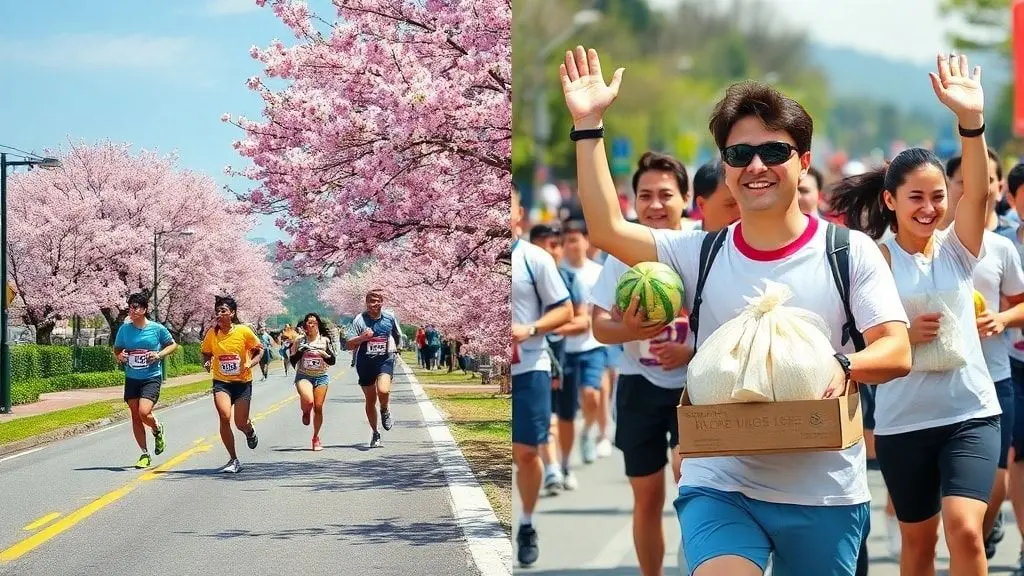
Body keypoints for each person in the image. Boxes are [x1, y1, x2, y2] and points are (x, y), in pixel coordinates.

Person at [560, 45, 913, 575]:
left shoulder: (847, 252)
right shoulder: (697, 254)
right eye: (739, 154)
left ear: (803, 161)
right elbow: (608, 229)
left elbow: (896, 350)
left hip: (823, 489)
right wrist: (588, 126)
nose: (756, 166)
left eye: (774, 152)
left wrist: (840, 366)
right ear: (725, 169)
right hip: (720, 481)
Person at [831, 53, 996, 576]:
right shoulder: (874, 258)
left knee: (965, 530)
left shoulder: (958, 248)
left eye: (938, 197)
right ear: (890, 200)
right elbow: (861, 337)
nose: (929, 208)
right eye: (915, 198)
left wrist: (971, 121)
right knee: (919, 546)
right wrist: (906, 333)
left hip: (970, 413)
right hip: (904, 423)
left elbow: (978, 191)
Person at [590, 151, 699, 576]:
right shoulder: (622, 253)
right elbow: (599, 325)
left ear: (686, 198)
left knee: (693, 485)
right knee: (648, 497)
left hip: (696, 387)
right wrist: (630, 330)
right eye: (645, 196)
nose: (655, 205)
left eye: (666, 195)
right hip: (639, 385)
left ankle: (695, 561)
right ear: (633, 202)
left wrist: (691, 351)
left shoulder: (702, 246)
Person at [944, 150, 1024, 560]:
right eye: (964, 180)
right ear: (949, 185)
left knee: (995, 481)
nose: (976, 187)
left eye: (986, 179)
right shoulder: (927, 242)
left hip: (994, 376)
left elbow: (1020, 304)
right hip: (939, 382)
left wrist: (1001, 319)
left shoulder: (1001, 246)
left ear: (997, 186)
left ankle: (983, 530)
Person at [512, 182, 573, 567]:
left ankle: (526, 522)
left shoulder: (534, 258)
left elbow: (564, 310)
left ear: (519, 212)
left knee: (527, 452)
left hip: (530, 365)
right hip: (497, 367)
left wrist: (531, 328)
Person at [113, 291, 177, 469]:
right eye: (130, 307)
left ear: (144, 309)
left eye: (135, 307)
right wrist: (120, 356)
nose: (131, 311)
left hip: (151, 377)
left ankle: (156, 427)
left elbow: (173, 345)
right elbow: (117, 350)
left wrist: (158, 355)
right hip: (132, 378)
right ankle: (144, 454)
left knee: (144, 412)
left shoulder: (156, 329)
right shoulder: (124, 330)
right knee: (135, 415)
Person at [201, 295, 263, 474]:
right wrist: (207, 362)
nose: (219, 314)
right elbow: (206, 352)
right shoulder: (212, 333)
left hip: (242, 383)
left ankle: (249, 430)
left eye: (223, 311)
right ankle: (233, 459)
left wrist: (251, 362)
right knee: (224, 416)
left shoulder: (243, 331)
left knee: (240, 423)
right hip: (222, 382)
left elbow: (259, 350)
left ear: (232, 313)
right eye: (217, 311)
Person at [346, 290, 403, 448]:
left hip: (384, 360)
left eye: (378, 301)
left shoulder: (389, 318)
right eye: (371, 301)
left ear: (382, 302)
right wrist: (362, 338)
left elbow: (397, 336)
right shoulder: (359, 320)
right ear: (366, 303)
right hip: (365, 363)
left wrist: (397, 350)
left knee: (383, 390)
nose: (374, 304)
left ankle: (384, 409)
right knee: (370, 400)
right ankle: (375, 432)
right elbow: (348, 343)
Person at [291, 312, 338, 451]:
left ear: (318, 325)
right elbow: (292, 361)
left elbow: (332, 361)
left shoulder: (325, 340)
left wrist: (324, 355)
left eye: (314, 323)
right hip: (304, 376)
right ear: (305, 325)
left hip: (321, 376)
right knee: (309, 401)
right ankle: (306, 410)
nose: (311, 325)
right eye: (309, 323)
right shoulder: (299, 340)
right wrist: (301, 351)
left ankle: (316, 437)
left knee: (318, 407)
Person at [691, 159, 741, 233]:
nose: (741, 211)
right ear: (701, 205)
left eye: (745, 203)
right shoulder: (684, 239)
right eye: (731, 204)